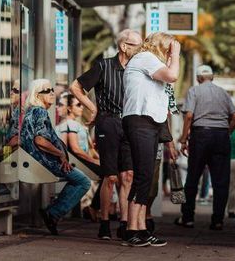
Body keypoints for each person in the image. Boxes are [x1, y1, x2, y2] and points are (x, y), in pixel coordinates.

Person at [70, 29, 142, 241]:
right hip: (108, 123)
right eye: (137, 45)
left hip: (130, 123)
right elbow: (75, 86)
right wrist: (93, 108)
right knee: (110, 177)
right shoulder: (104, 66)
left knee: (127, 176)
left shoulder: (139, 69)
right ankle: (103, 222)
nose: (140, 49)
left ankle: (124, 224)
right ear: (124, 46)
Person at [121, 32, 179, 247]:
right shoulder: (145, 57)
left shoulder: (151, 62)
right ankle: (131, 229)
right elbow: (173, 76)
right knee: (143, 175)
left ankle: (142, 229)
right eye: (168, 49)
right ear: (160, 46)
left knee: (147, 176)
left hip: (150, 122)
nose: (169, 53)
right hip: (140, 121)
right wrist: (177, 54)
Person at [21, 78, 90, 236]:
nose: (52, 93)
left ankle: (53, 212)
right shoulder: (39, 111)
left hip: (41, 160)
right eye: (47, 91)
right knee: (83, 181)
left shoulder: (33, 111)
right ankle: (53, 213)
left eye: (52, 90)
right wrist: (60, 154)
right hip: (45, 161)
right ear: (37, 95)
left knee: (78, 180)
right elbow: (39, 140)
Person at [175, 65, 235, 230]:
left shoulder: (194, 91)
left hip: (201, 136)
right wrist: (227, 132)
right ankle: (218, 220)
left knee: (193, 178)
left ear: (198, 78)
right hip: (220, 136)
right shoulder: (223, 93)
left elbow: (189, 116)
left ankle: (188, 217)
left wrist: (184, 139)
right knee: (221, 181)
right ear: (212, 77)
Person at [56, 93, 101, 220]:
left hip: (82, 159)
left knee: (110, 173)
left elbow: (89, 148)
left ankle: (95, 207)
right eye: (78, 105)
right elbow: (75, 149)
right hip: (78, 161)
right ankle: (94, 207)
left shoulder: (77, 124)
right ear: (70, 108)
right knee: (108, 174)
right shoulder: (70, 124)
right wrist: (95, 161)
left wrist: (99, 159)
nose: (82, 108)